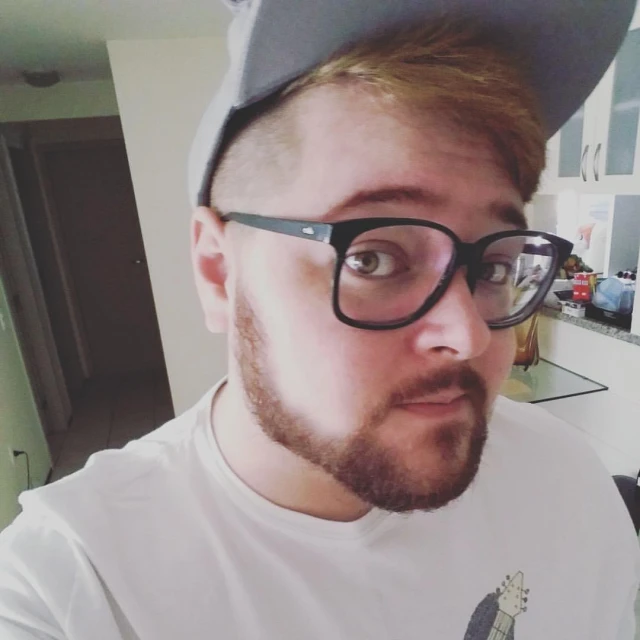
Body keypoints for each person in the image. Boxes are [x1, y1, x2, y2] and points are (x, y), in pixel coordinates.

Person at [1, 1, 639, 638]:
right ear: (219, 272)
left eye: (493, 268)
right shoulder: (72, 589)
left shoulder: (566, 481)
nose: (468, 334)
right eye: (373, 258)